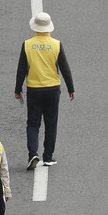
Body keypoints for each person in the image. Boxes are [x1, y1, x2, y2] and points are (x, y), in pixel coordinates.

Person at [14, 12, 75, 169]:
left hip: (34, 89)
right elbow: (65, 69)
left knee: (33, 123)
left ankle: (32, 154)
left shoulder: (27, 44)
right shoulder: (56, 44)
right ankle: (48, 156)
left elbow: (21, 69)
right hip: (52, 89)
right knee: (51, 123)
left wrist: (17, 88)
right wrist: (71, 88)